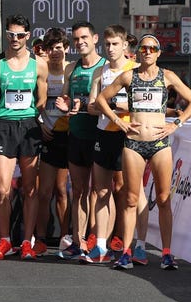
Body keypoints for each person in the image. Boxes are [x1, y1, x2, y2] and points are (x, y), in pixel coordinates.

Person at [96, 34, 191, 270]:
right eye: (144, 48)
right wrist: (118, 121)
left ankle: (166, 253)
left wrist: (177, 123)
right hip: (133, 143)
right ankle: (126, 252)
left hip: (160, 144)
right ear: (138, 52)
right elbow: (102, 99)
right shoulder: (128, 76)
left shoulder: (168, 76)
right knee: (131, 199)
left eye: (153, 48)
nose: (148, 51)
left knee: (163, 199)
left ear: (158, 53)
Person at [0, 15, 48, 260]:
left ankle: (26, 241)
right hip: (4, 126)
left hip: (29, 126)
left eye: (20, 35)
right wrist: (2, 116)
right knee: (1, 188)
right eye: (11, 35)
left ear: (28, 36)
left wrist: (29, 115)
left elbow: (41, 99)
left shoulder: (38, 64)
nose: (15, 39)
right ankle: (4, 240)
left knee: (30, 189)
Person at [84, 24, 135, 264]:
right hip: (103, 134)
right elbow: (92, 106)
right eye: (108, 44)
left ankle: (125, 245)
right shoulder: (100, 72)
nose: (111, 49)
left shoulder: (134, 70)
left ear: (125, 45)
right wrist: (110, 106)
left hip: (127, 135)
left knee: (125, 192)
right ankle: (100, 245)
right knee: (101, 190)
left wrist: (113, 107)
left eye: (115, 44)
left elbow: (139, 107)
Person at [55, 22, 105, 260]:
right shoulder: (71, 68)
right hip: (76, 134)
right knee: (78, 190)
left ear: (95, 39)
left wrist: (85, 105)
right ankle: (78, 240)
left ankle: (99, 240)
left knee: (101, 190)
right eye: (76, 39)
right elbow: (67, 97)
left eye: (84, 37)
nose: (80, 42)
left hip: (100, 134)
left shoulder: (105, 67)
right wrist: (64, 104)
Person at [36, 28, 71, 256]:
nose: (55, 52)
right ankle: (39, 238)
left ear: (66, 48)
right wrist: (41, 124)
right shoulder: (42, 70)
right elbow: (34, 101)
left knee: (62, 190)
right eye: (51, 48)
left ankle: (65, 237)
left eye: (59, 47)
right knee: (44, 191)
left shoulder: (72, 69)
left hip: (68, 133)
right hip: (47, 132)